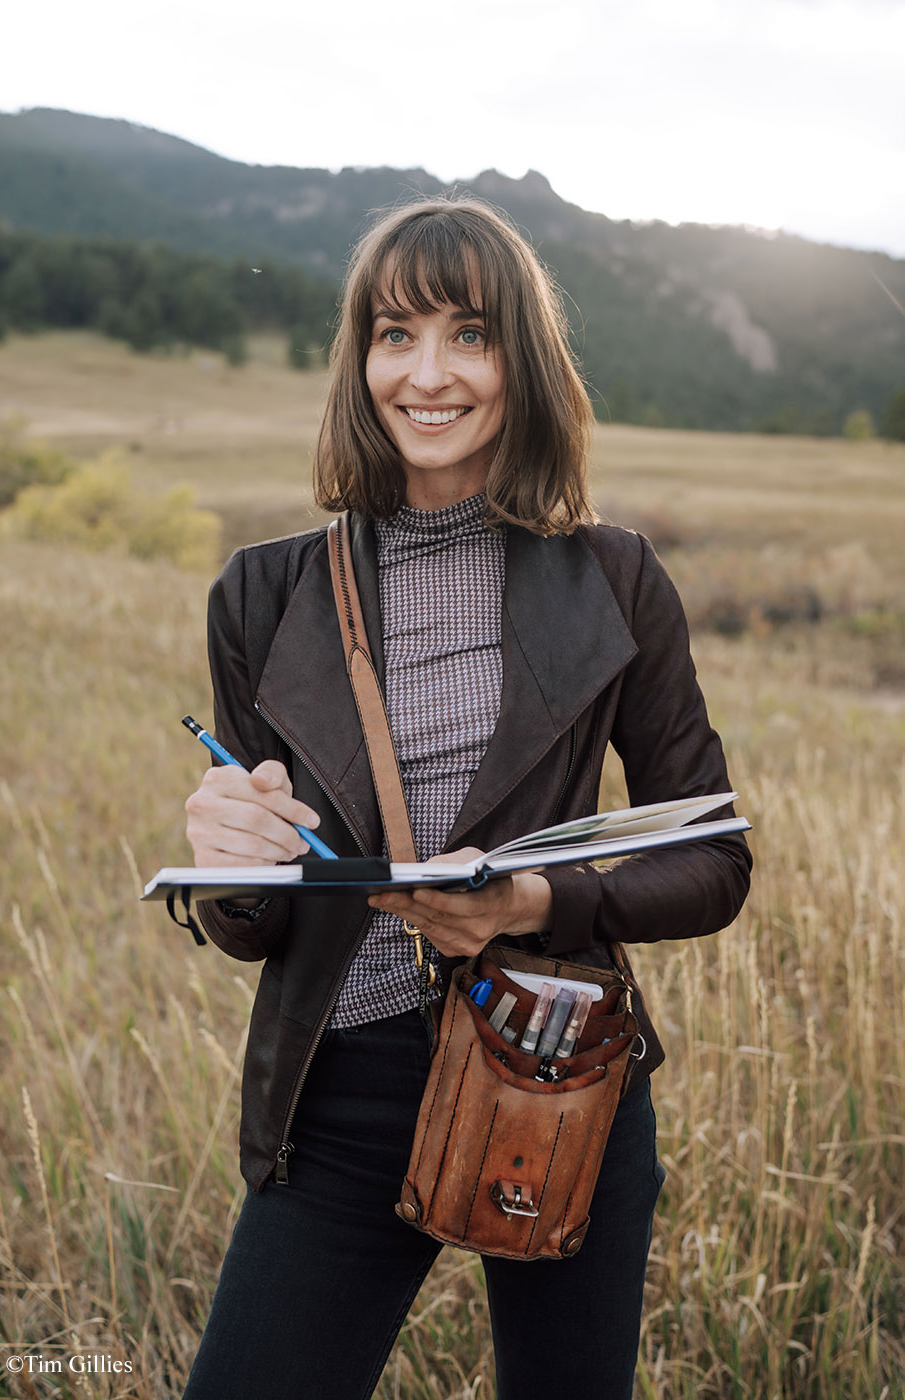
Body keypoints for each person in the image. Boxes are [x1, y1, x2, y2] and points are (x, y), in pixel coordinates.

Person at [181, 196, 751, 1400]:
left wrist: (538, 897)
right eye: (394, 334)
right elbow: (258, 923)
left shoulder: (615, 576)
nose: (426, 373)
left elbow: (714, 860)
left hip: (552, 1070)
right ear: (360, 359)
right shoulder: (260, 593)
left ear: (521, 363)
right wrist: (229, 856)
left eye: (469, 334)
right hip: (334, 1096)